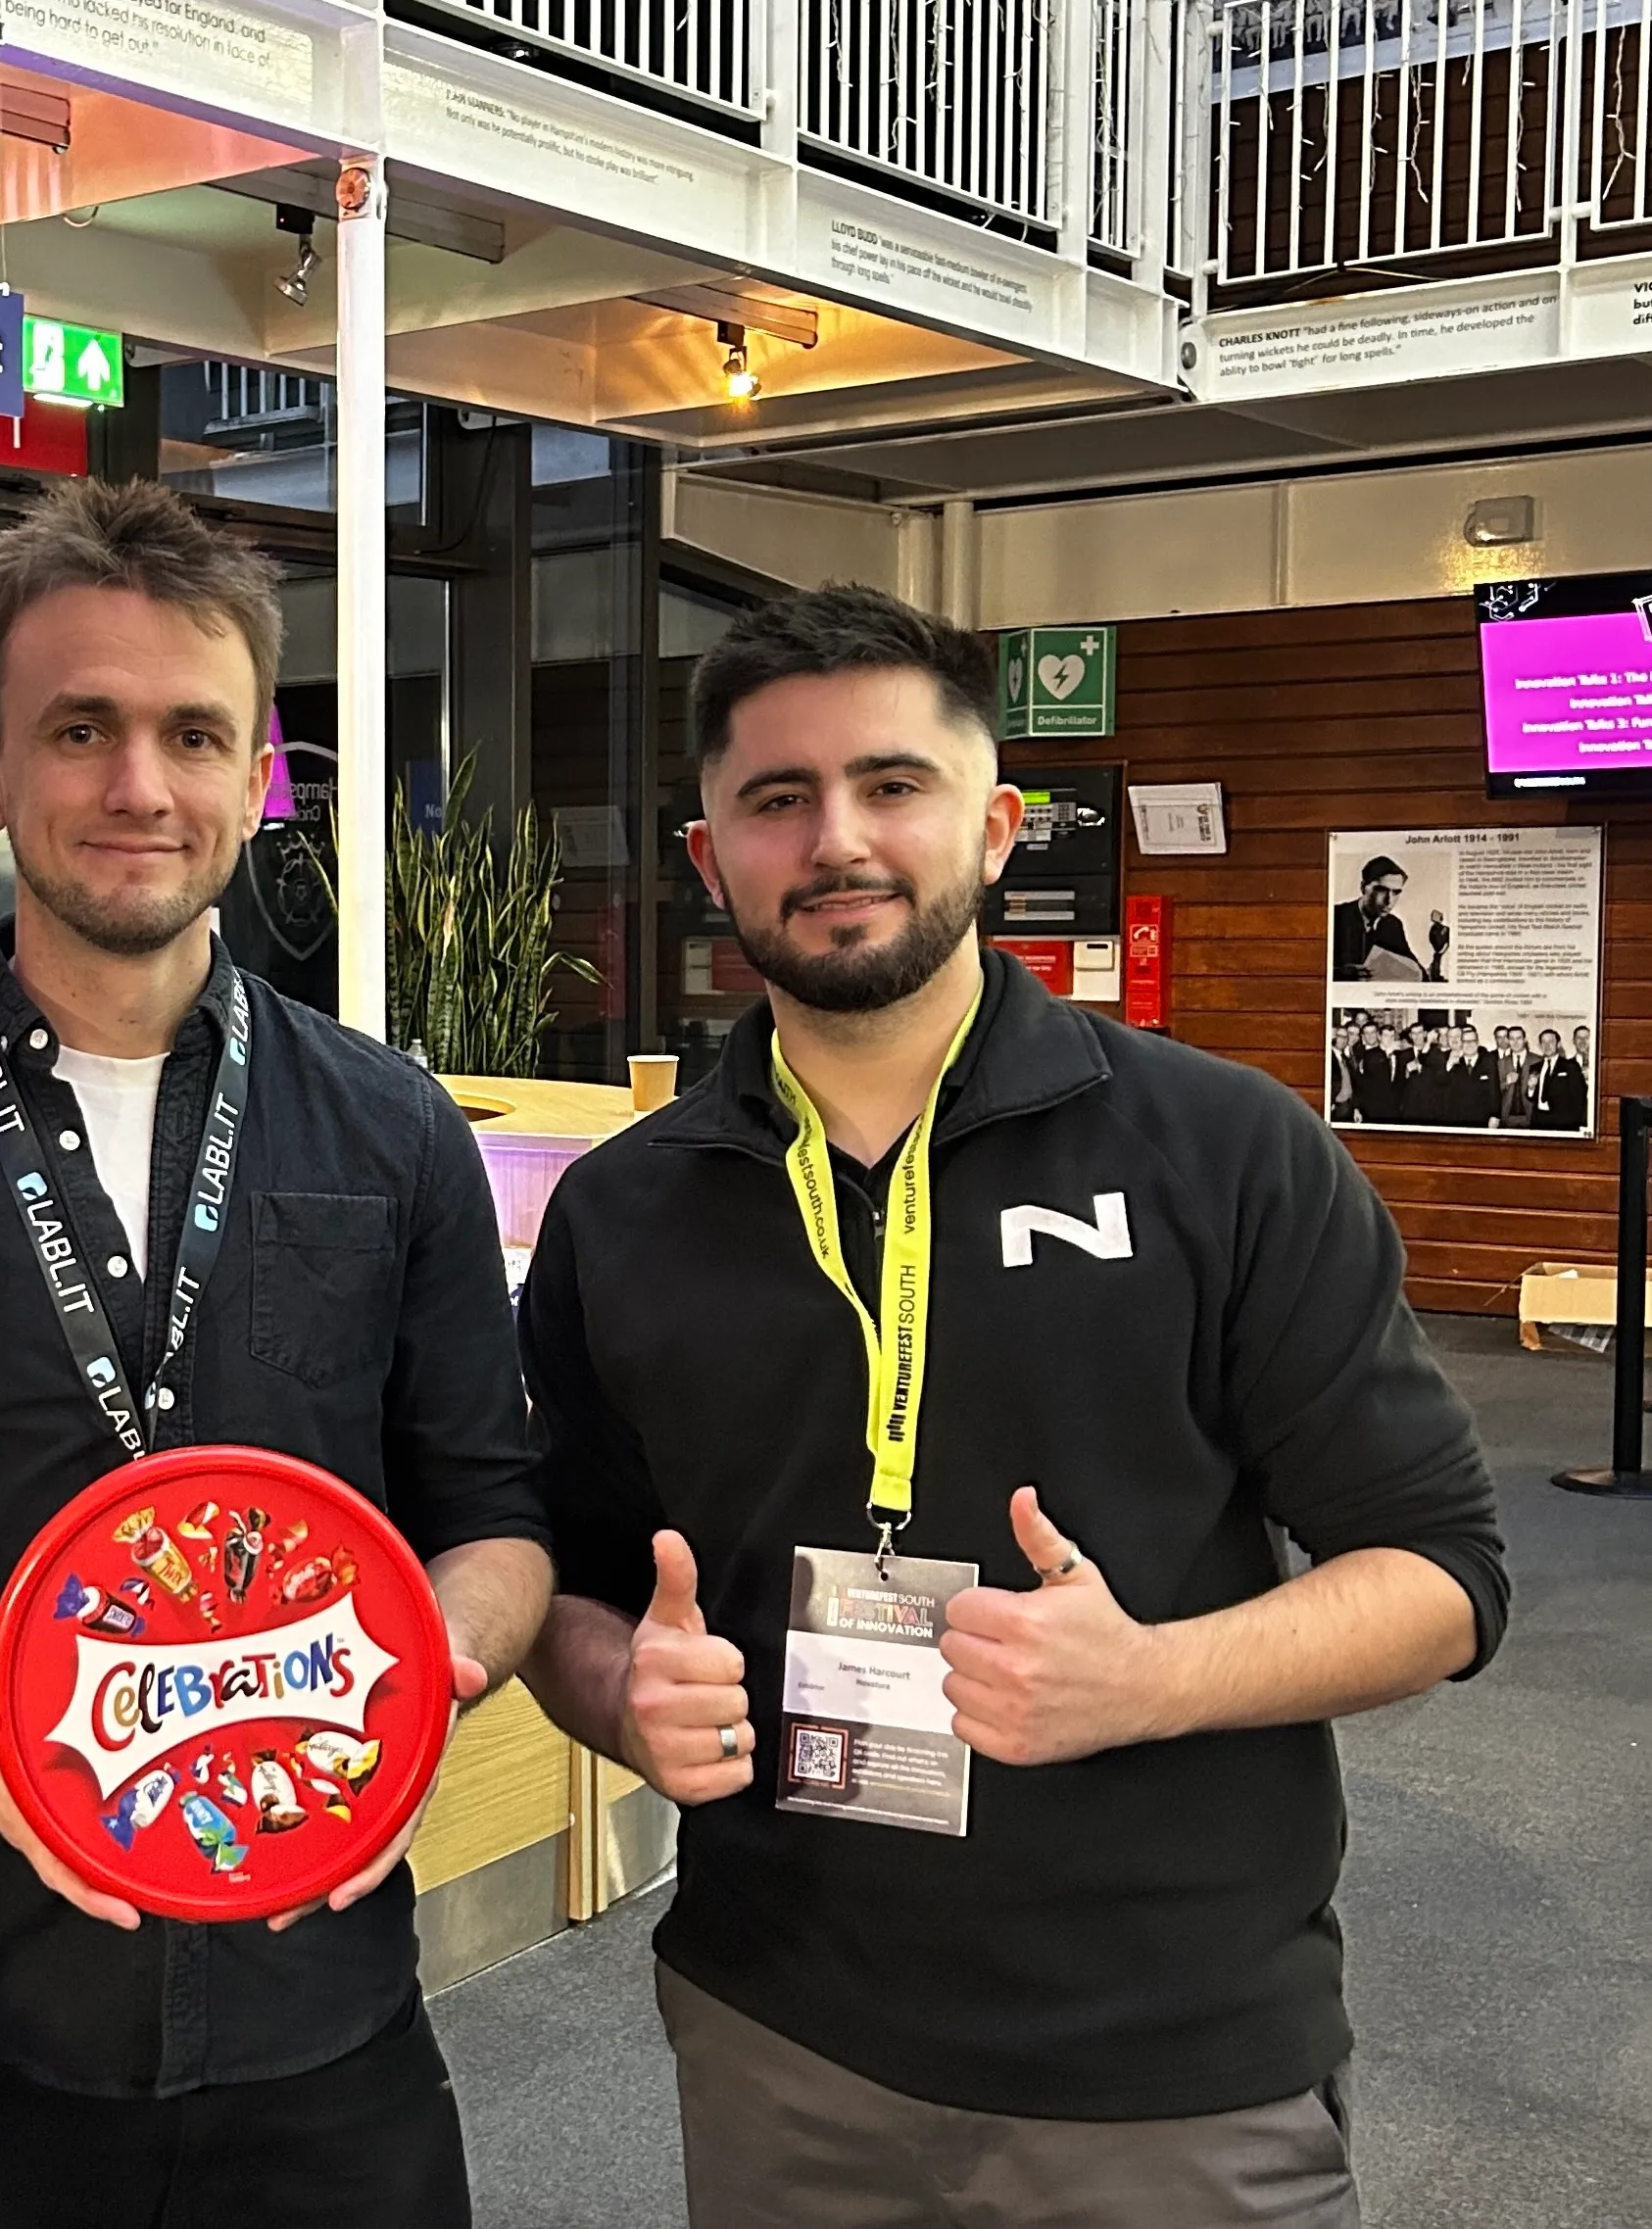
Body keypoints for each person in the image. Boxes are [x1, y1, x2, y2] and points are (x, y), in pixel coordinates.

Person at [514, 583, 1508, 2229]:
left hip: (1164, 2065)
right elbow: (565, 1572)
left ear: (992, 829)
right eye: (776, 797)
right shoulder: (620, 1214)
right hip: (778, 2039)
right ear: (709, 861)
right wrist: (616, 1686)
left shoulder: (1220, 1154)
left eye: (889, 785)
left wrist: (1148, 1676)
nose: (835, 837)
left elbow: (1440, 1578)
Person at [0, 478, 554, 2229]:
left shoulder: (390, 1135)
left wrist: (415, 1679)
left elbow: (497, 1518)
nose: (137, 787)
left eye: (189, 735)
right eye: (79, 729)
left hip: (334, 2044)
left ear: (252, 778)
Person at [1332, 855, 1447, 982]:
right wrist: (1338, 974)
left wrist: (1438, 953)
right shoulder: (1335, 916)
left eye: (1396, 892)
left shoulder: (1393, 925)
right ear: (1363, 887)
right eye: (1381, 890)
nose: (1389, 901)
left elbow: (1414, 972)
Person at [1534, 1026, 1588, 1132]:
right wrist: (1531, 1089)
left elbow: (1579, 1095)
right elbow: (1531, 1097)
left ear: (1558, 1044)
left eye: (1551, 1041)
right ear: (1540, 1045)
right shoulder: (1535, 1067)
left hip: (1562, 1123)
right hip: (1539, 1121)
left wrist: (1575, 1122)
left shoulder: (1570, 1066)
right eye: (1544, 1042)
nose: (1547, 1045)